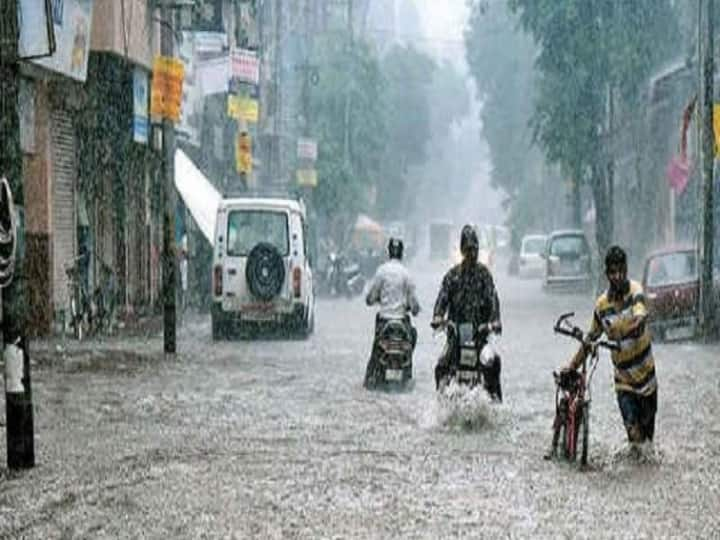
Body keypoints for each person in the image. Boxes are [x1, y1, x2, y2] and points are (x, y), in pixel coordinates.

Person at [563, 245, 658, 451]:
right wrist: (572, 366)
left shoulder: (635, 291)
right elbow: (591, 339)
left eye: (621, 271)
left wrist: (628, 329)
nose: (618, 277)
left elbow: (641, 316)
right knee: (634, 434)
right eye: (613, 272)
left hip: (648, 379)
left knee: (647, 443)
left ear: (626, 269)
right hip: (624, 383)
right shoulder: (601, 306)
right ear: (607, 274)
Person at [431, 224, 502, 392]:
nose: (472, 253)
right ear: (462, 250)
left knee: (493, 363)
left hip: (480, 338)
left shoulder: (484, 275)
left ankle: (496, 407)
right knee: (441, 367)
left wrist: (494, 322)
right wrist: (438, 318)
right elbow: (441, 300)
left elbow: (493, 300)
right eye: (468, 249)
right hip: (455, 339)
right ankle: (440, 407)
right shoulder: (452, 276)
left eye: (475, 249)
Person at [364, 237, 420, 388]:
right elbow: (414, 305)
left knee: (376, 350)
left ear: (388, 252)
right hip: (402, 321)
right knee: (411, 338)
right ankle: (407, 374)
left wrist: (375, 300)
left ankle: (371, 377)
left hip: (383, 321)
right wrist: (413, 308)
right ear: (402, 253)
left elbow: (370, 298)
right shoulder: (406, 274)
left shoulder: (381, 271)